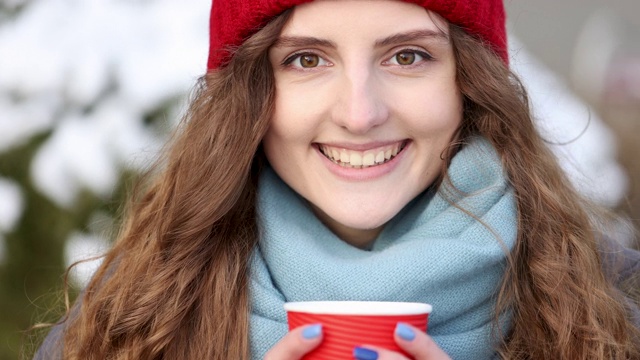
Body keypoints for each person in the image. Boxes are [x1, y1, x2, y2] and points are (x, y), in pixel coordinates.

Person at [35, 0, 640, 359]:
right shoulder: (138, 308)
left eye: (408, 56)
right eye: (306, 59)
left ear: (469, 82)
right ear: (247, 97)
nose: (359, 113)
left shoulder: (609, 299)